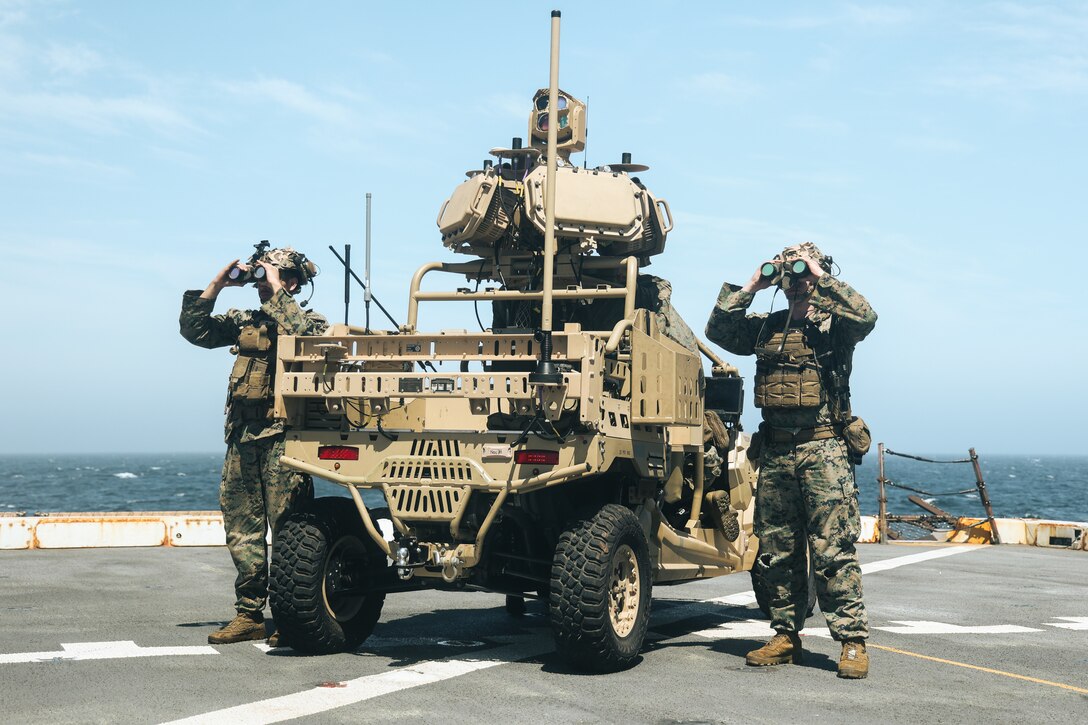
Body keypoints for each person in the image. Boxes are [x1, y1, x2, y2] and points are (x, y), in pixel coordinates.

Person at [705, 242, 876, 679]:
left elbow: (867, 316)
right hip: (777, 450)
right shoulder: (767, 328)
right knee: (776, 549)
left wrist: (820, 278)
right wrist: (753, 284)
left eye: (802, 272)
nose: (796, 280)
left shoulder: (834, 326)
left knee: (832, 548)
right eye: (790, 273)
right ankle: (785, 633)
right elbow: (718, 331)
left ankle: (852, 641)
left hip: (824, 449)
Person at [180, 246, 327, 645]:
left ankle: (288, 616)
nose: (262, 283)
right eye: (262, 276)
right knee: (241, 529)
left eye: (273, 275)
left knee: (288, 530)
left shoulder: (308, 320)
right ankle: (248, 613)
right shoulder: (245, 321)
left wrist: (277, 290)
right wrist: (217, 285)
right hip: (243, 436)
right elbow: (195, 331)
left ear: (292, 282)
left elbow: (307, 338)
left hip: (285, 437)